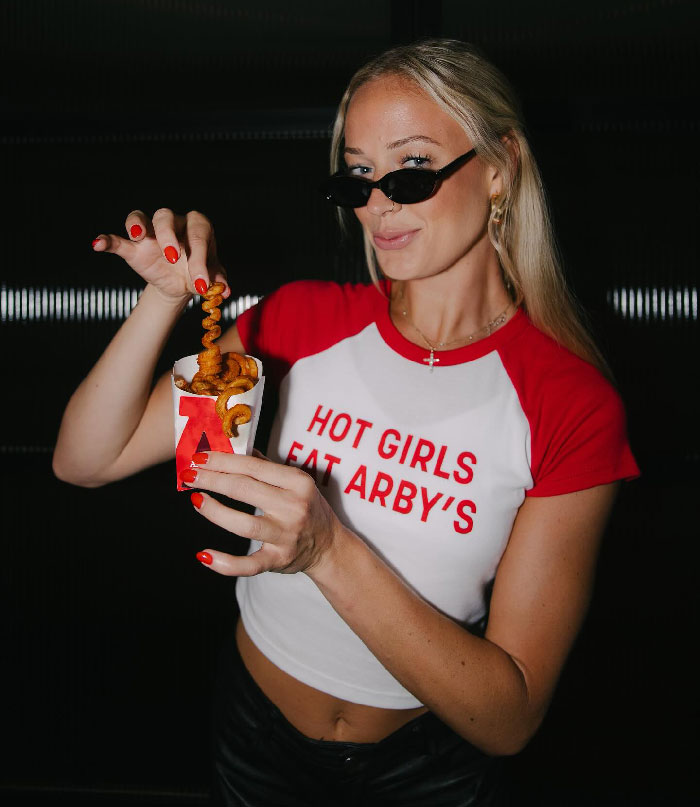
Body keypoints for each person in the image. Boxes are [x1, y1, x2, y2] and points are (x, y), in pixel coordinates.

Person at [53, 39, 639, 806]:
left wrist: (327, 548)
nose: (378, 204)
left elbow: (510, 715)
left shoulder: (571, 404)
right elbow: (86, 458)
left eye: (411, 168)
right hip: (254, 740)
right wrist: (164, 299)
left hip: (426, 772)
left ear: (498, 167)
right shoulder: (303, 320)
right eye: (358, 176)